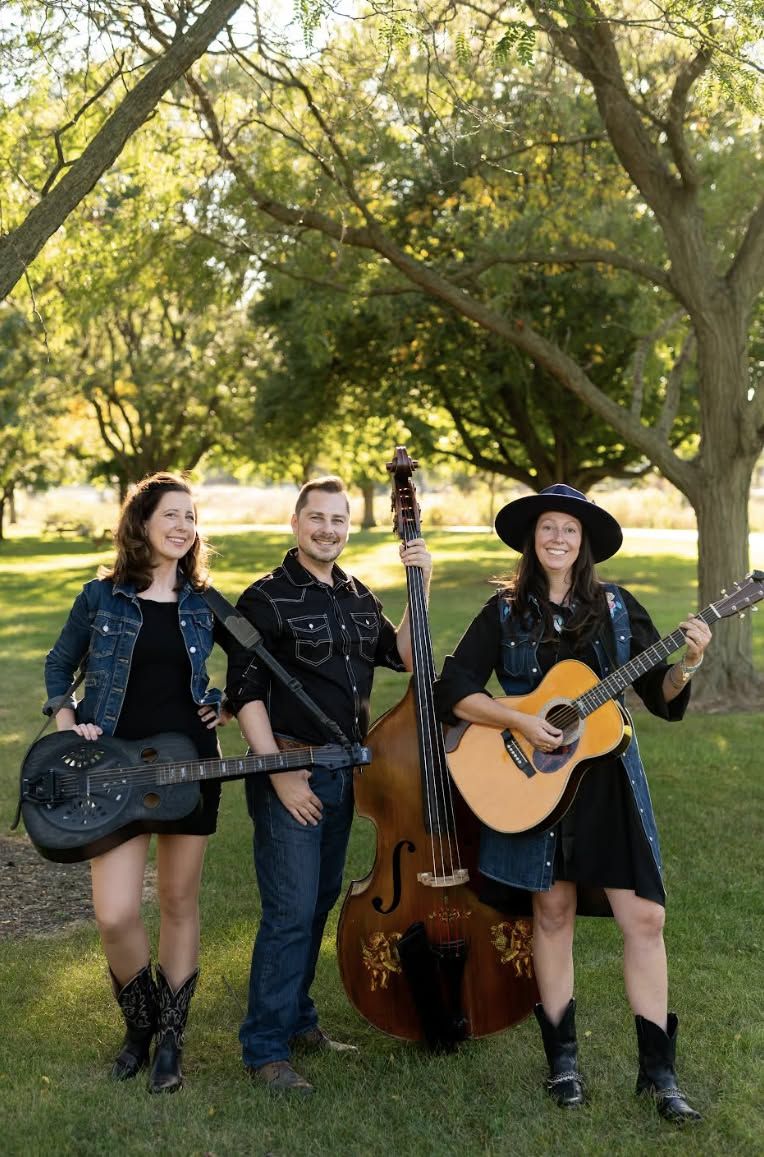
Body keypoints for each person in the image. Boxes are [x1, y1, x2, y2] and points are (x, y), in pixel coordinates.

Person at [433, 483, 711, 1125]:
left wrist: (688, 662)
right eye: (548, 528)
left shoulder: (616, 609)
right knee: (551, 912)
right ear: (533, 539)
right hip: (532, 781)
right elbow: (455, 688)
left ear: (584, 544)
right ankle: (563, 1064)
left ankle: (660, 1076)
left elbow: (662, 698)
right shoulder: (503, 612)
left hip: (607, 780)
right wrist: (520, 721)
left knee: (644, 919)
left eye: (570, 530)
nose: (558, 538)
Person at [225, 475, 432, 1094]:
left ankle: (296, 1019)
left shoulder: (355, 594)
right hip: (289, 769)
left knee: (317, 903)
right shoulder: (263, 598)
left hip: (346, 772)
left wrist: (421, 583)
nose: (328, 530)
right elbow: (245, 695)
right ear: (296, 523)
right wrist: (280, 773)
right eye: (317, 518)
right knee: (289, 910)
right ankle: (263, 1048)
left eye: (339, 520)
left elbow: (409, 658)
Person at [44, 472, 226, 1093]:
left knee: (179, 901)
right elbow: (59, 664)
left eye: (191, 517)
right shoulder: (101, 597)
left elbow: (259, 665)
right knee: (116, 912)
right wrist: (69, 725)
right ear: (141, 523)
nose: (183, 527)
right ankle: (139, 1024)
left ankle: (171, 1039)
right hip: (112, 769)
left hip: (190, 767)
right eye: (171, 515)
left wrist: (224, 705)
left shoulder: (205, 602)